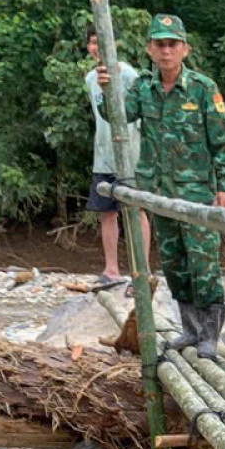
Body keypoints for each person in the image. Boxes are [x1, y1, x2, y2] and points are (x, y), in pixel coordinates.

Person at [109, 14, 225, 359]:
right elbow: (118, 116)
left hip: (196, 193)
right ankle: (190, 330)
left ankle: (210, 333)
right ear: (150, 49)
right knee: (175, 264)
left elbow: (223, 142)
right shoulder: (142, 88)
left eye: (173, 44)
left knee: (203, 263)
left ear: (185, 49)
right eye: (160, 44)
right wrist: (109, 88)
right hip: (159, 194)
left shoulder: (202, 88)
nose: (166, 51)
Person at [83, 27, 150, 286]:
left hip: (131, 155)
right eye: (92, 42)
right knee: (106, 212)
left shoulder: (129, 74)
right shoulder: (90, 78)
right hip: (103, 155)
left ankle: (141, 269)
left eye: (101, 41)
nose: (96, 47)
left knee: (136, 209)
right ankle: (111, 269)